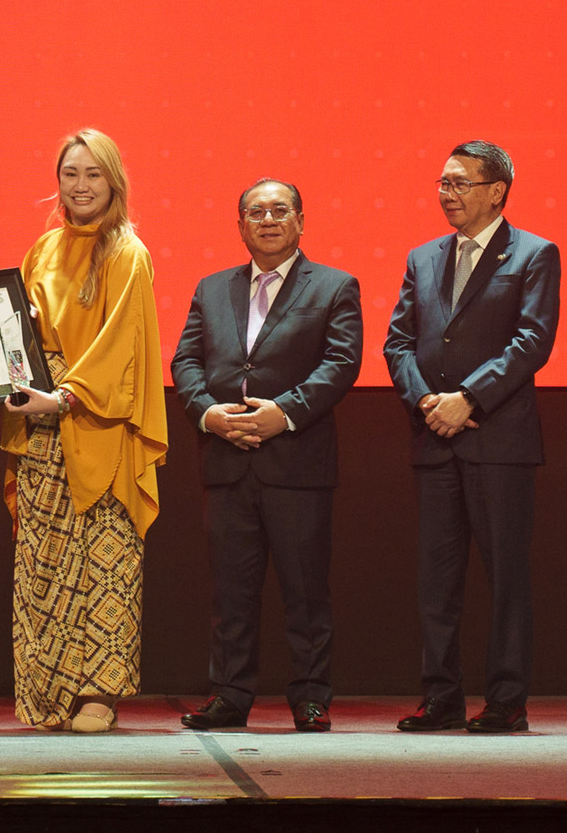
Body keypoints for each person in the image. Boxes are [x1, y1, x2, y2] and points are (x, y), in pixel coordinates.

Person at [171, 178, 362, 732]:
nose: (269, 220)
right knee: (230, 589)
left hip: (297, 461)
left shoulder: (333, 286)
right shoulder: (212, 288)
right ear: (240, 226)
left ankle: (309, 696)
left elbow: (341, 363)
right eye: (256, 212)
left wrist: (283, 412)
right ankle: (229, 696)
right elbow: (186, 360)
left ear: (301, 221)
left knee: (305, 590)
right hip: (227, 460)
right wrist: (210, 414)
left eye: (281, 210)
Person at [384, 140, 560, 734]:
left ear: (497, 191)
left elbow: (532, 341)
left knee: (506, 576)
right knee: (437, 581)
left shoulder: (533, 253)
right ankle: (442, 697)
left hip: (499, 441)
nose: (446, 193)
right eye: (442, 182)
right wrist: (426, 400)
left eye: (459, 183)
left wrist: (470, 398)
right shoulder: (423, 256)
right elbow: (398, 343)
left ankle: (507, 701)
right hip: (434, 437)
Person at [2, 129, 167, 733]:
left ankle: (99, 692)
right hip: (40, 431)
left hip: (98, 424)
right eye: (71, 174)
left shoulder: (128, 252)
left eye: (93, 174)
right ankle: (47, 692)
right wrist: (7, 378)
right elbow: (14, 331)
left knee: (104, 566)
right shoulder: (42, 248)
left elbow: (120, 346)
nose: (81, 186)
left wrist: (63, 395)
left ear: (114, 180)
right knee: (44, 563)